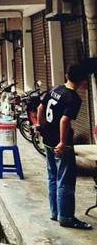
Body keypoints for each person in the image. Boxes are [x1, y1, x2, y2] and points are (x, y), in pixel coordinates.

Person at [37, 65, 92, 229]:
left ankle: (55, 213)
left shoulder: (56, 89)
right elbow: (64, 120)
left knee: (53, 176)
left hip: (47, 139)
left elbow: (40, 108)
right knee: (65, 181)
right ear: (82, 81)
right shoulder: (73, 98)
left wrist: (40, 126)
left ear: (67, 76)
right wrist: (62, 142)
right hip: (61, 144)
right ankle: (66, 217)